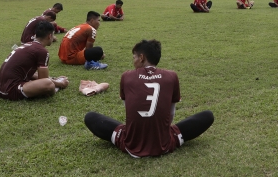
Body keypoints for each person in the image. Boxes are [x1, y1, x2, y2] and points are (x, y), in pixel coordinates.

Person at [84, 39, 214, 158]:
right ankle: (169, 136)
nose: (133, 61)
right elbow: (171, 113)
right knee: (207, 115)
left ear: (141, 58)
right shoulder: (172, 76)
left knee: (90, 117)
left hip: (132, 144)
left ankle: (128, 135)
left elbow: (129, 110)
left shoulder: (127, 76)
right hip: (164, 143)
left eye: (134, 57)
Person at [0, 21, 69, 100]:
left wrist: (53, 79)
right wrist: (60, 83)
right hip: (12, 90)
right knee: (48, 84)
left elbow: (32, 74)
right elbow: (43, 80)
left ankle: (52, 85)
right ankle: (55, 89)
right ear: (50, 36)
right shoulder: (42, 51)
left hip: (1, 89)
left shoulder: (28, 45)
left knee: (43, 79)